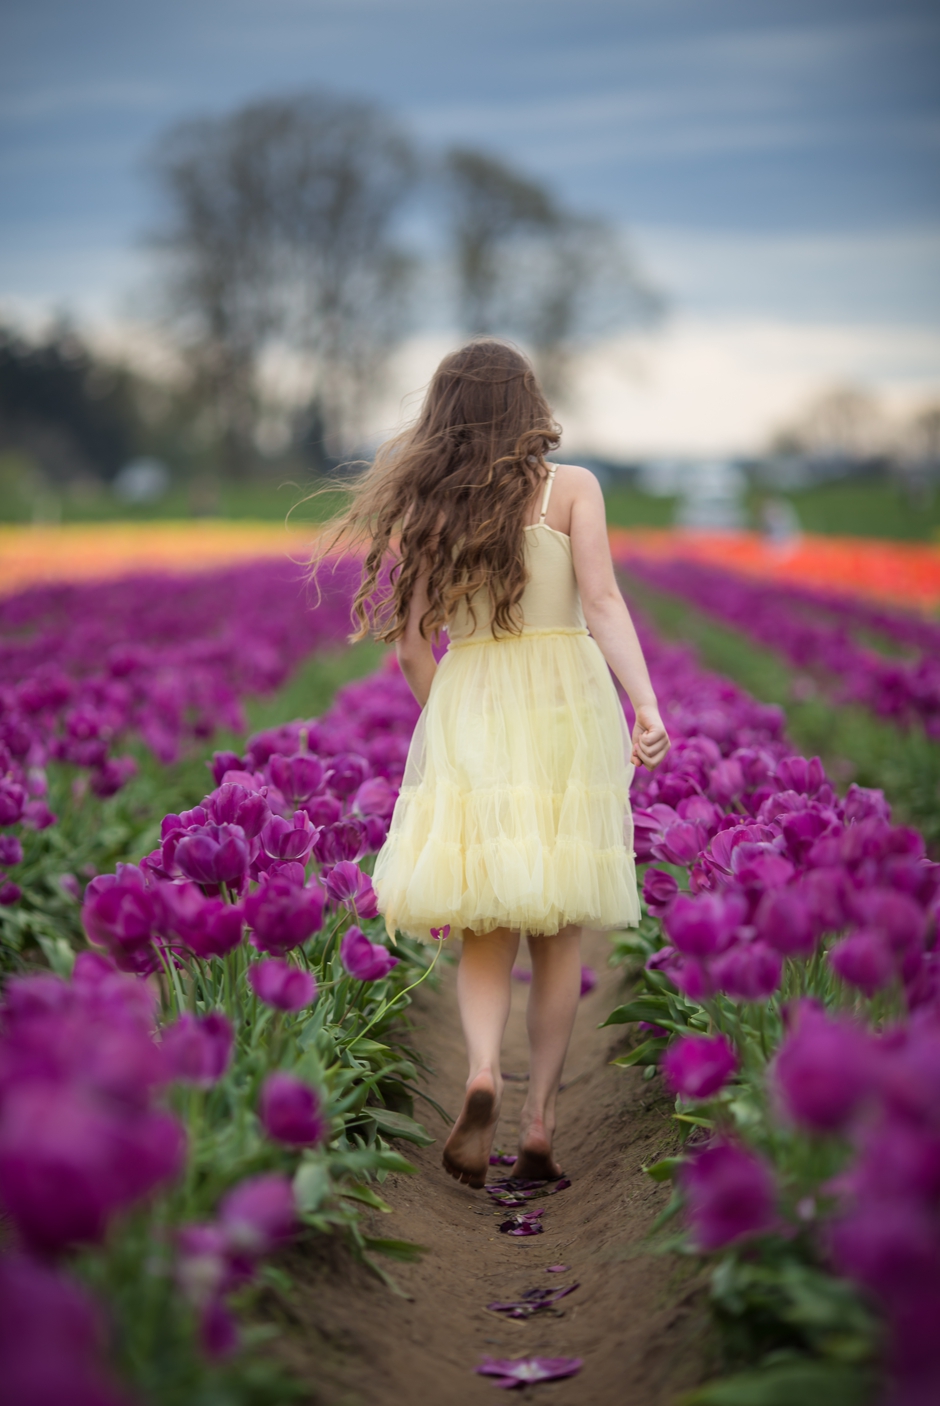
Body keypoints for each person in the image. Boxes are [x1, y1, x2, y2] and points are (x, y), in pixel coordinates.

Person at [320, 340, 669, 1189]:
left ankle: (481, 1071)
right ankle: (541, 1122)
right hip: (567, 707)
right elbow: (602, 602)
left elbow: (409, 651)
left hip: (474, 698)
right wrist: (647, 705)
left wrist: (456, 725)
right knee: (559, 931)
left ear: (446, 413)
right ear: (528, 405)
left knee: (485, 921)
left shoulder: (434, 508)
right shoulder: (572, 488)